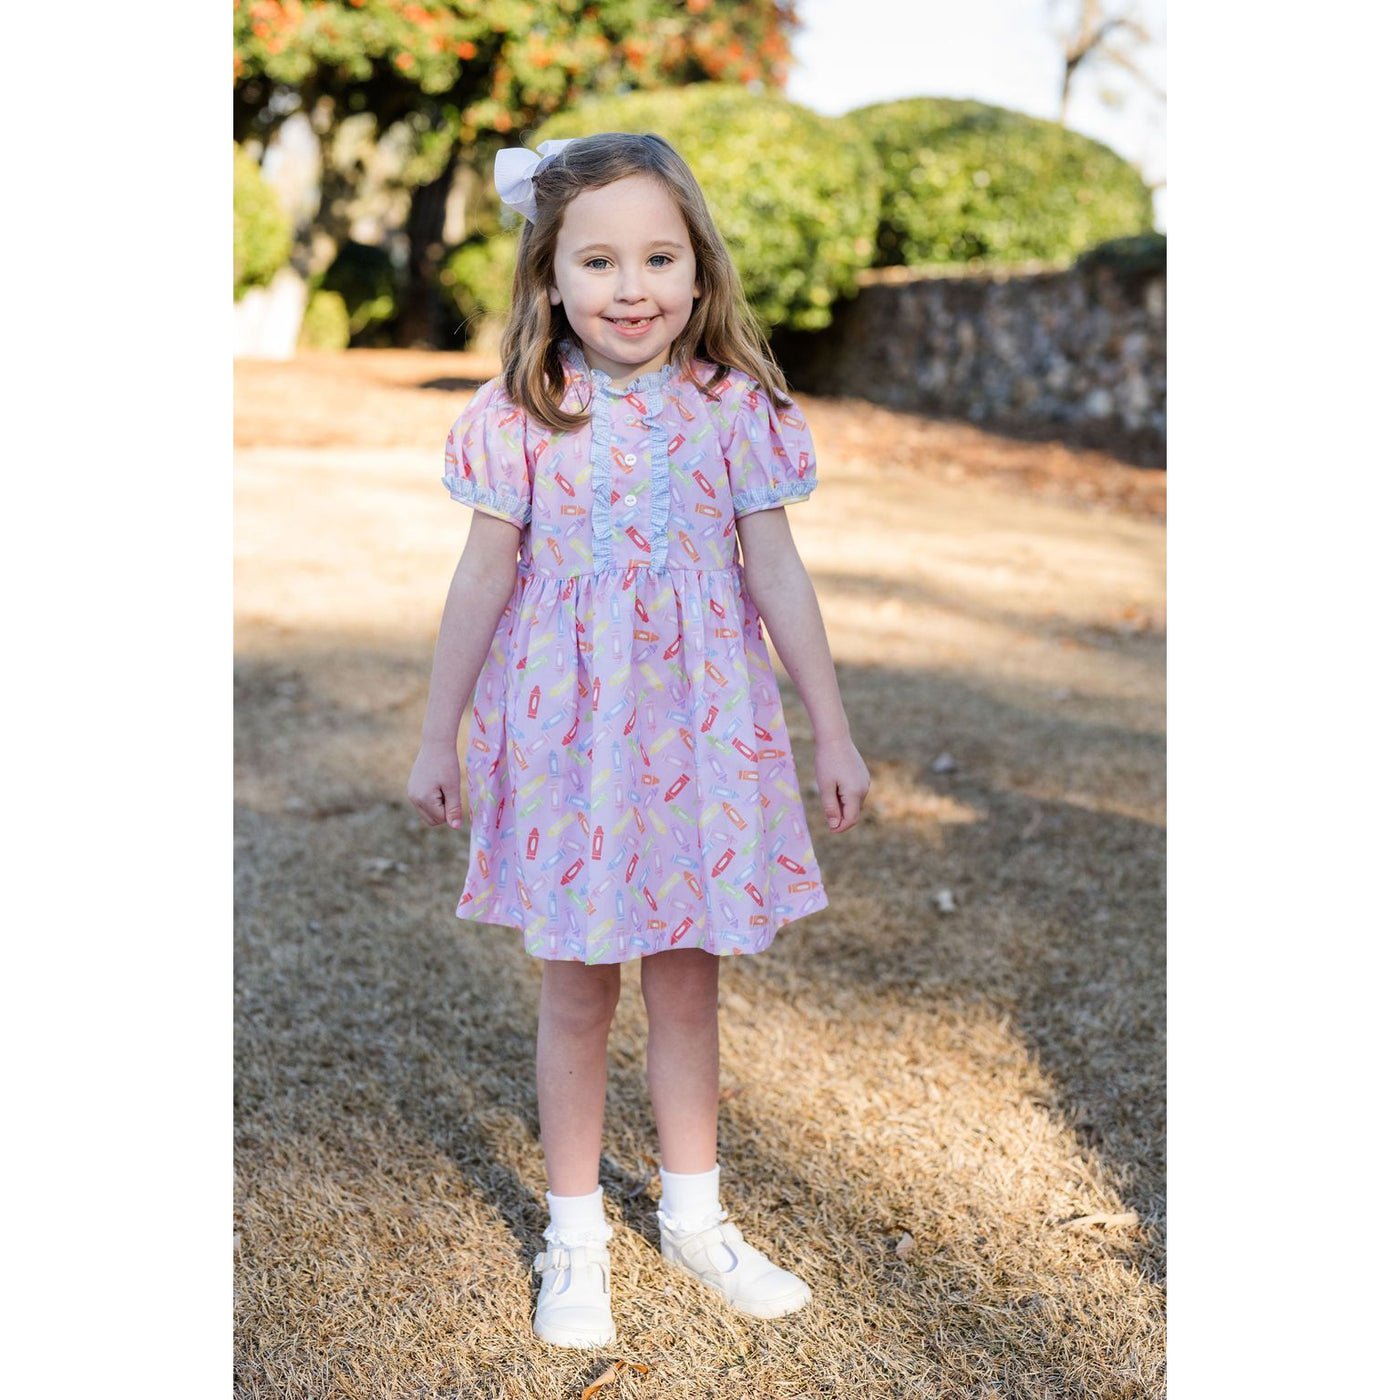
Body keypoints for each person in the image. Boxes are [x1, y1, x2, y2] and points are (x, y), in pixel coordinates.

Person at [407, 132, 871, 1350]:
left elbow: (776, 572)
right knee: (576, 987)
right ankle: (573, 1233)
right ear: (549, 276)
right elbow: (479, 580)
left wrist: (830, 728)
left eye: (658, 257)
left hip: (700, 745)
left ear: (698, 267)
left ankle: (693, 1217)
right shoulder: (521, 415)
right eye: (598, 260)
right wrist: (438, 734)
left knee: (686, 980)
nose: (630, 287)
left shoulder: (735, 409)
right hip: (570, 750)